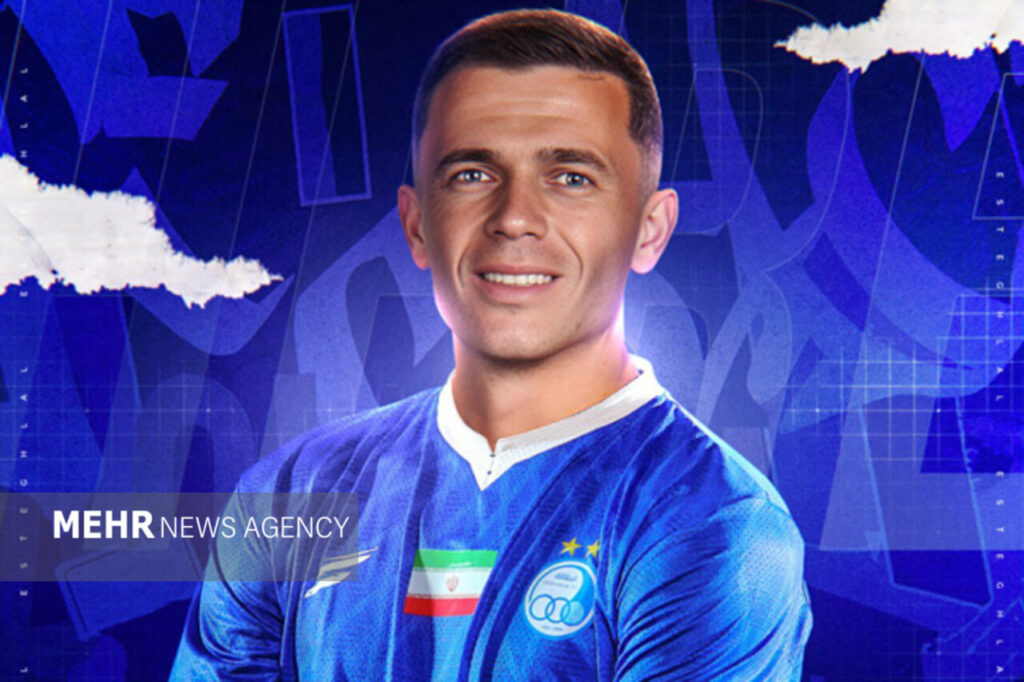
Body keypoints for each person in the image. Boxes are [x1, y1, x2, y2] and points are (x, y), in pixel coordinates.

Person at [171, 9, 812, 680]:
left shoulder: (714, 522)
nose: (514, 218)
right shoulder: (287, 496)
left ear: (650, 230)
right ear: (417, 225)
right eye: (473, 175)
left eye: (571, 177)